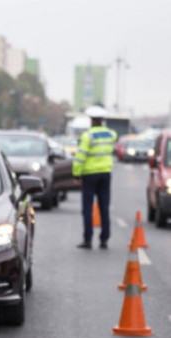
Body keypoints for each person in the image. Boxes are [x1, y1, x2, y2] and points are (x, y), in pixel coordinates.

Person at [73, 105, 117, 249]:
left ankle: (88, 239)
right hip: (105, 174)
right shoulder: (110, 135)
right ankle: (104, 239)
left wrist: (76, 174)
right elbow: (114, 137)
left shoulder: (88, 136)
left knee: (87, 208)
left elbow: (80, 157)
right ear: (103, 120)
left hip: (89, 175)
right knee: (104, 207)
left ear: (91, 121)